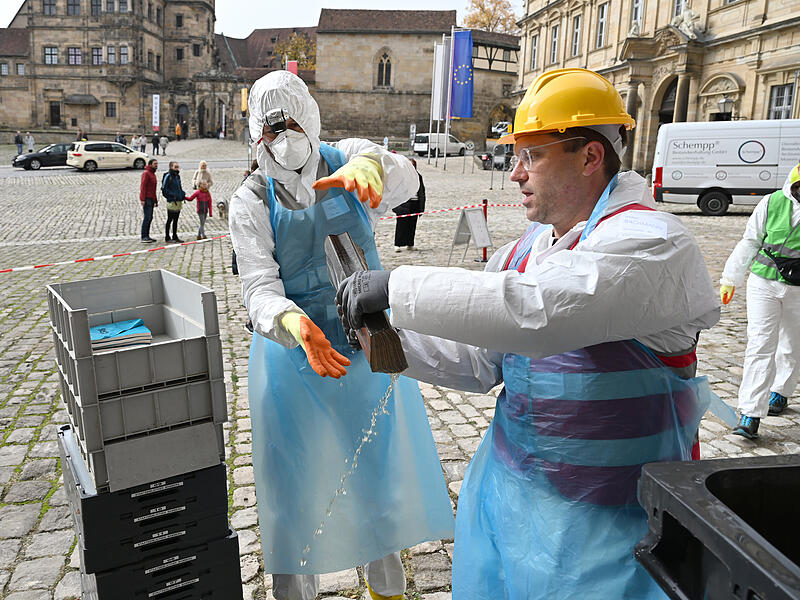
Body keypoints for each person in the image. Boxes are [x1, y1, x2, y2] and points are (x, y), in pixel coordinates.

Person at [338, 68, 730, 600]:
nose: (515, 173)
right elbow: (479, 357)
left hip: (617, 532)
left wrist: (395, 286)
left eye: (532, 155)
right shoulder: (531, 246)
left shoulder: (655, 242)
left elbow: (540, 311)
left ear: (591, 157)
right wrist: (378, 342)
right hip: (511, 505)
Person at [228, 70, 454, 600]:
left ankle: (387, 588)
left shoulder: (346, 155)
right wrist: (288, 322)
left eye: (289, 124)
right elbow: (258, 283)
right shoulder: (252, 199)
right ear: (256, 135)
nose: (282, 138)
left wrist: (377, 165)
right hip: (292, 357)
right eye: (269, 130)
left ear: (308, 117)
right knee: (291, 489)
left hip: (364, 344)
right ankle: (294, 591)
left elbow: (405, 182)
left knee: (375, 471)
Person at [720, 164, 800, 439]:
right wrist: (730, 278)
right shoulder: (772, 202)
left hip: (798, 290)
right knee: (760, 345)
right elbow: (750, 241)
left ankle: (781, 391)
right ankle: (750, 414)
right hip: (764, 283)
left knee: (792, 344)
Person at [392, 157, 425, 252]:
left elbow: (422, 191)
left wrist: (421, 205)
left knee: (412, 225)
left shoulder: (419, 176)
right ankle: (397, 244)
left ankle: (410, 243)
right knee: (401, 225)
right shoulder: (401, 177)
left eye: (414, 166)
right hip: (404, 204)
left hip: (415, 203)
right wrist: (396, 207)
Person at [161, 161, 186, 243]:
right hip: (172, 201)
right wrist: (172, 195)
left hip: (178, 200)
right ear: (171, 167)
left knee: (176, 220)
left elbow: (179, 187)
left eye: (178, 167)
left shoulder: (177, 176)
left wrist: (182, 194)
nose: (177, 168)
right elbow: (164, 189)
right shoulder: (168, 176)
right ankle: (167, 237)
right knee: (170, 219)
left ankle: (175, 236)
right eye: (175, 167)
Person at [139, 158, 158, 243]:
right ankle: (144, 236)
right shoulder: (146, 173)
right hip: (147, 198)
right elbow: (143, 186)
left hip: (151, 198)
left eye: (157, 164)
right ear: (150, 164)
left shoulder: (153, 174)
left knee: (150, 217)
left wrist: (155, 200)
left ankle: (147, 235)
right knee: (147, 217)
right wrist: (142, 199)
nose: (156, 165)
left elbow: (153, 189)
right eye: (155, 164)